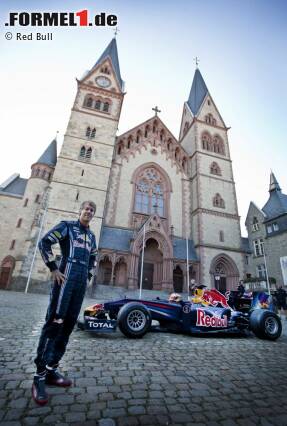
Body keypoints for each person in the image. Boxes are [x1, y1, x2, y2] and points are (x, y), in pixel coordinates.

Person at [32, 201, 97, 405]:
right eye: (86, 209)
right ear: (80, 211)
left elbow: (93, 256)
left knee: (68, 325)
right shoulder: (67, 227)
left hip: (79, 284)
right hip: (65, 278)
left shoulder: (91, 236)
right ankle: (39, 376)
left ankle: (52, 368)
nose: (88, 212)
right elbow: (45, 242)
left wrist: (87, 276)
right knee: (55, 323)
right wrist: (53, 268)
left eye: (91, 210)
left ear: (93, 215)